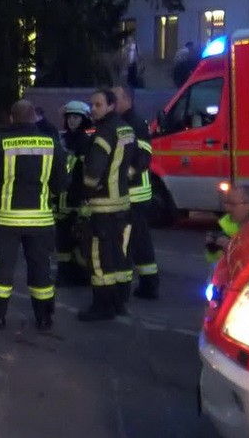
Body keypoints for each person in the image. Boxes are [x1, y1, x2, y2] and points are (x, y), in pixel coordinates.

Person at [0, 100, 69, 330]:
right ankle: (45, 317)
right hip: (41, 219)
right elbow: (61, 182)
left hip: (6, 219)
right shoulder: (52, 142)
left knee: (1, 269)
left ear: (11, 118)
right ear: (34, 118)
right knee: (41, 268)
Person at [78, 89, 136, 322]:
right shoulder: (126, 129)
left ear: (111, 106)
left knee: (99, 257)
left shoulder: (104, 133)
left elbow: (94, 171)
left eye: (98, 105)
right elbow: (131, 163)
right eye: (92, 105)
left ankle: (102, 306)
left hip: (102, 204)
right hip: (121, 201)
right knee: (117, 254)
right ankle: (120, 300)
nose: (93, 109)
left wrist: (86, 190)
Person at [113, 86, 159, 300]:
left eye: (115, 98)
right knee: (140, 241)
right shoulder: (126, 121)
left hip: (135, 193)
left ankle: (144, 286)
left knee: (132, 242)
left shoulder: (134, 123)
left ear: (127, 100)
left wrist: (125, 175)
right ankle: (149, 285)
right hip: (133, 192)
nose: (112, 102)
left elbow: (143, 156)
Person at [55, 100, 93, 286]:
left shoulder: (85, 142)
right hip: (61, 197)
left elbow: (87, 172)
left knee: (77, 239)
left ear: (84, 119)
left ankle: (79, 275)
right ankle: (65, 274)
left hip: (76, 198)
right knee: (62, 239)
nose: (72, 121)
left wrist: (85, 199)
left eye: (76, 117)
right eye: (70, 117)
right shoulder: (63, 139)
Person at [205, 185, 249, 263]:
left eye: (233, 204)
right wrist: (212, 249)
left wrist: (232, 249)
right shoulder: (225, 226)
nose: (227, 209)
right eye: (226, 204)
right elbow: (216, 265)